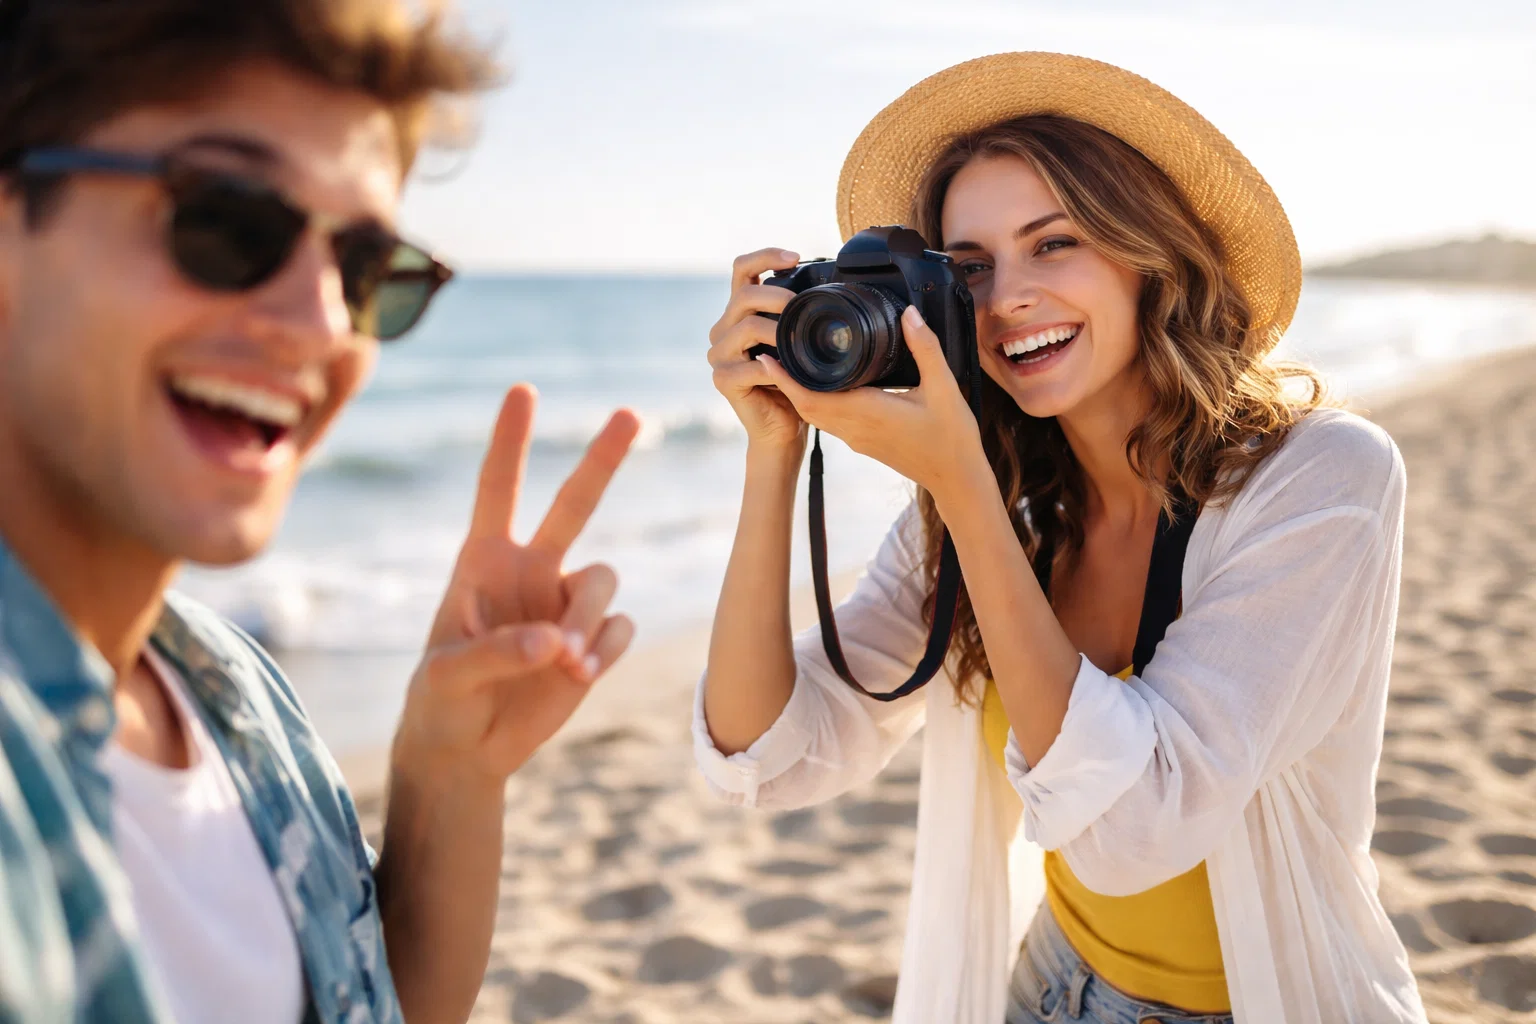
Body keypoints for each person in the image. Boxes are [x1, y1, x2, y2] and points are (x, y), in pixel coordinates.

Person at [697, 52, 1427, 1024]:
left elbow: (1134, 831)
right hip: (1047, 986)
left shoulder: (1320, 478)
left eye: (1053, 244)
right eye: (971, 268)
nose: (1007, 298)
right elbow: (765, 753)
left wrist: (961, 485)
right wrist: (774, 449)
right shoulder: (1002, 499)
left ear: (1149, 254)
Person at [0, 2, 639, 1022]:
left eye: (362, 267)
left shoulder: (228, 688)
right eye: (229, 221)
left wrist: (450, 769)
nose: (321, 323)